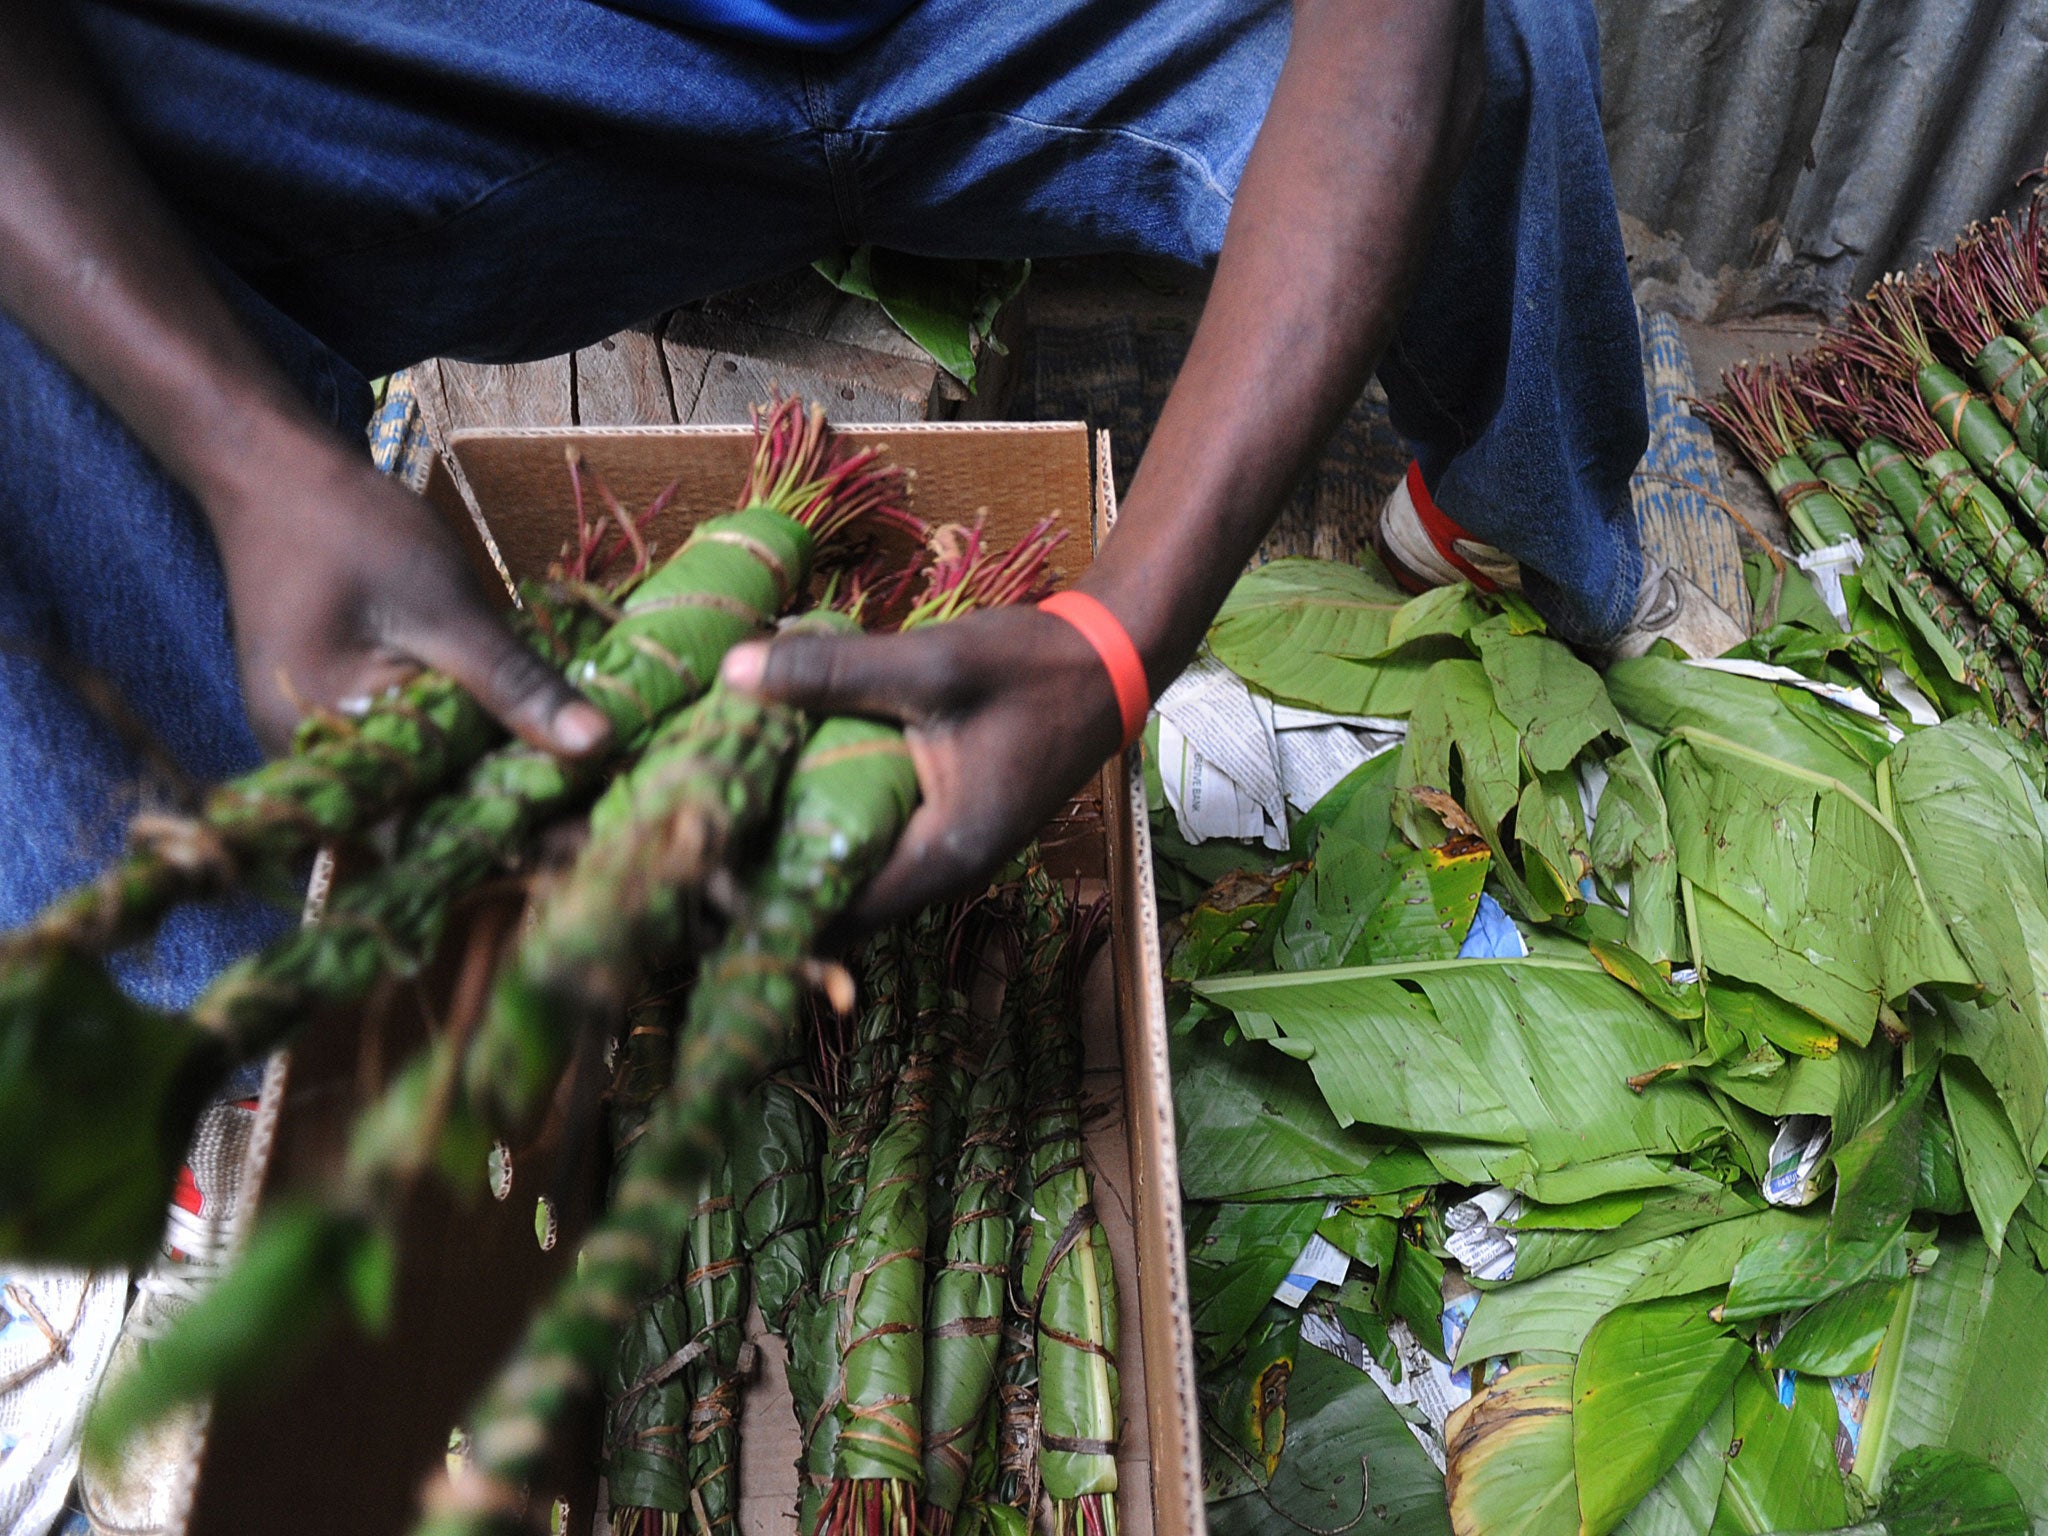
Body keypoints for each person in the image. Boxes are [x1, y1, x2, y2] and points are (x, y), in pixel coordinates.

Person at [0, 0, 1743, 991]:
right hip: (477, 57)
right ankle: (232, 1019)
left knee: (1505, 27)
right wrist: (243, 450)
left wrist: (1121, 642)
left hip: (993, 26)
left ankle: (1525, 522)